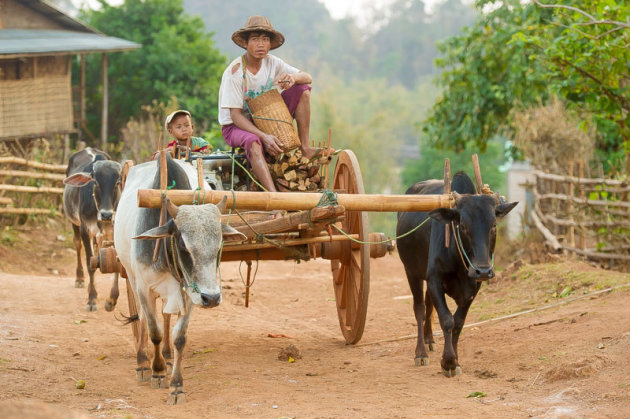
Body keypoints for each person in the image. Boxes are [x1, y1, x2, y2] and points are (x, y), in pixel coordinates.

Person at [218, 15, 318, 192]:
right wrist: (264, 137)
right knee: (254, 141)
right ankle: (274, 198)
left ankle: (305, 147)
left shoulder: (273, 63)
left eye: (265, 39)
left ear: (270, 44)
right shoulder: (234, 72)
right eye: (255, 39)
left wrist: (292, 78)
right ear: (245, 43)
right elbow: (235, 115)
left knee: (302, 89)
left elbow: (308, 77)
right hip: (235, 126)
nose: (261, 44)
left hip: (265, 119)